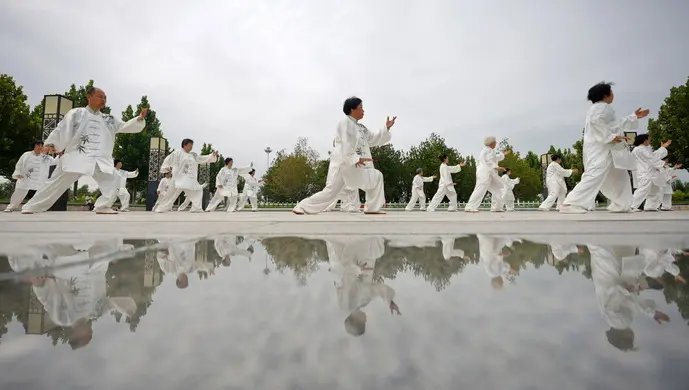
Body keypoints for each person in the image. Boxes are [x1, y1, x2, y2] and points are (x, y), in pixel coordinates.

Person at [21, 88, 147, 214]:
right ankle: (31, 206)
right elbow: (62, 129)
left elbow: (124, 126)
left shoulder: (109, 119)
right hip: (77, 156)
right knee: (54, 183)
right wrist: (52, 144)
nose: (103, 100)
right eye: (100, 96)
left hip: (99, 159)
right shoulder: (76, 113)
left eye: (105, 98)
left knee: (112, 179)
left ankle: (103, 206)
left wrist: (139, 119)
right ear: (89, 97)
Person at [292, 97, 396, 215]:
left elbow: (373, 139)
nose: (363, 110)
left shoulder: (361, 128)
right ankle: (302, 206)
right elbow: (344, 143)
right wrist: (355, 159)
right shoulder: (344, 123)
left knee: (376, 176)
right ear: (352, 109)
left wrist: (386, 128)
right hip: (344, 165)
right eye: (361, 107)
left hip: (356, 166)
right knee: (330, 192)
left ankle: (372, 207)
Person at [560, 82, 649, 214]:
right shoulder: (602, 108)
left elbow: (616, 124)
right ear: (605, 95)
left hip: (608, 149)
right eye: (611, 92)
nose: (613, 95)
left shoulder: (599, 108)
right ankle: (570, 203)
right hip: (602, 149)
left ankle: (621, 205)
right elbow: (598, 122)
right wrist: (610, 137)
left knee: (620, 177)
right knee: (594, 175)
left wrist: (634, 117)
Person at [154, 139, 217, 213]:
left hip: (190, 179)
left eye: (192, 146)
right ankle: (161, 208)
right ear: (184, 145)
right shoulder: (178, 152)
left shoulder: (193, 155)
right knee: (171, 194)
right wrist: (166, 167)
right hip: (179, 178)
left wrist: (212, 155)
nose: (191, 147)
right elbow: (169, 159)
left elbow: (202, 158)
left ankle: (196, 208)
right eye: (190, 145)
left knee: (198, 190)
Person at [4, 140, 57, 212]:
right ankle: (11, 206)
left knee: (41, 193)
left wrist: (59, 155)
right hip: (26, 177)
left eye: (42, 145)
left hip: (39, 178)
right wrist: (18, 173)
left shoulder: (46, 157)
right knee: (19, 192)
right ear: (34, 146)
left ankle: (37, 208)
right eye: (38, 145)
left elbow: (55, 162)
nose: (40, 147)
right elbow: (19, 164)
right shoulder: (26, 155)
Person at [464, 137, 510, 212]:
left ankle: (497, 207)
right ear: (492, 143)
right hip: (485, 174)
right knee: (480, 189)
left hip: (489, 174)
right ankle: (469, 207)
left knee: (498, 190)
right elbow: (489, 160)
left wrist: (503, 154)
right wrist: (497, 167)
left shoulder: (488, 150)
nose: (496, 144)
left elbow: (495, 157)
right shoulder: (489, 150)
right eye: (495, 143)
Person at [630, 134, 671, 212]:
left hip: (649, 172)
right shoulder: (640, 149)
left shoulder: (643, 149)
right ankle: (631, 205)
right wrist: (662, 163)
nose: (650, 141)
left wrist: (662, 148)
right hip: (646, 173)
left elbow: (653, 155)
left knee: (655, 190)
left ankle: (650, 206)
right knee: (642, 190)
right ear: (645, 140)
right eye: (649, 139)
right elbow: (652, 158)